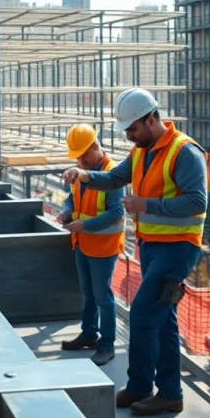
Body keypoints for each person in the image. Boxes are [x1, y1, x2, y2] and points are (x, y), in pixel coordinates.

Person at [62, 88, 209, 417]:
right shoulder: (142, 150)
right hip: (153, 245)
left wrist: (146, 205)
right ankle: (169, 392)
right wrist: (84, 175)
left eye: (132, 129)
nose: (129, 135)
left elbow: (198, 201)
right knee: (164, 320)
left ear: (152, 119)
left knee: (142, 315)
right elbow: (115, 178)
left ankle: (142, 386)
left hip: (178, 247)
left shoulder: (184, 152)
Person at [56, 124, 125, 367]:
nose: (81, 160)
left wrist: (84, 225)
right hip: (82, 244)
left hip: (103, 247)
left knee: (103, 297)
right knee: (88, 293)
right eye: (77, 156)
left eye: (84, 154)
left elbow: (116, 213)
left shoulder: (112, 172)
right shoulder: (80, 171)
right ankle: (89, 333)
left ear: (96, 147)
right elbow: (72, 198)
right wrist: (65, 213)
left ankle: (107, 345)